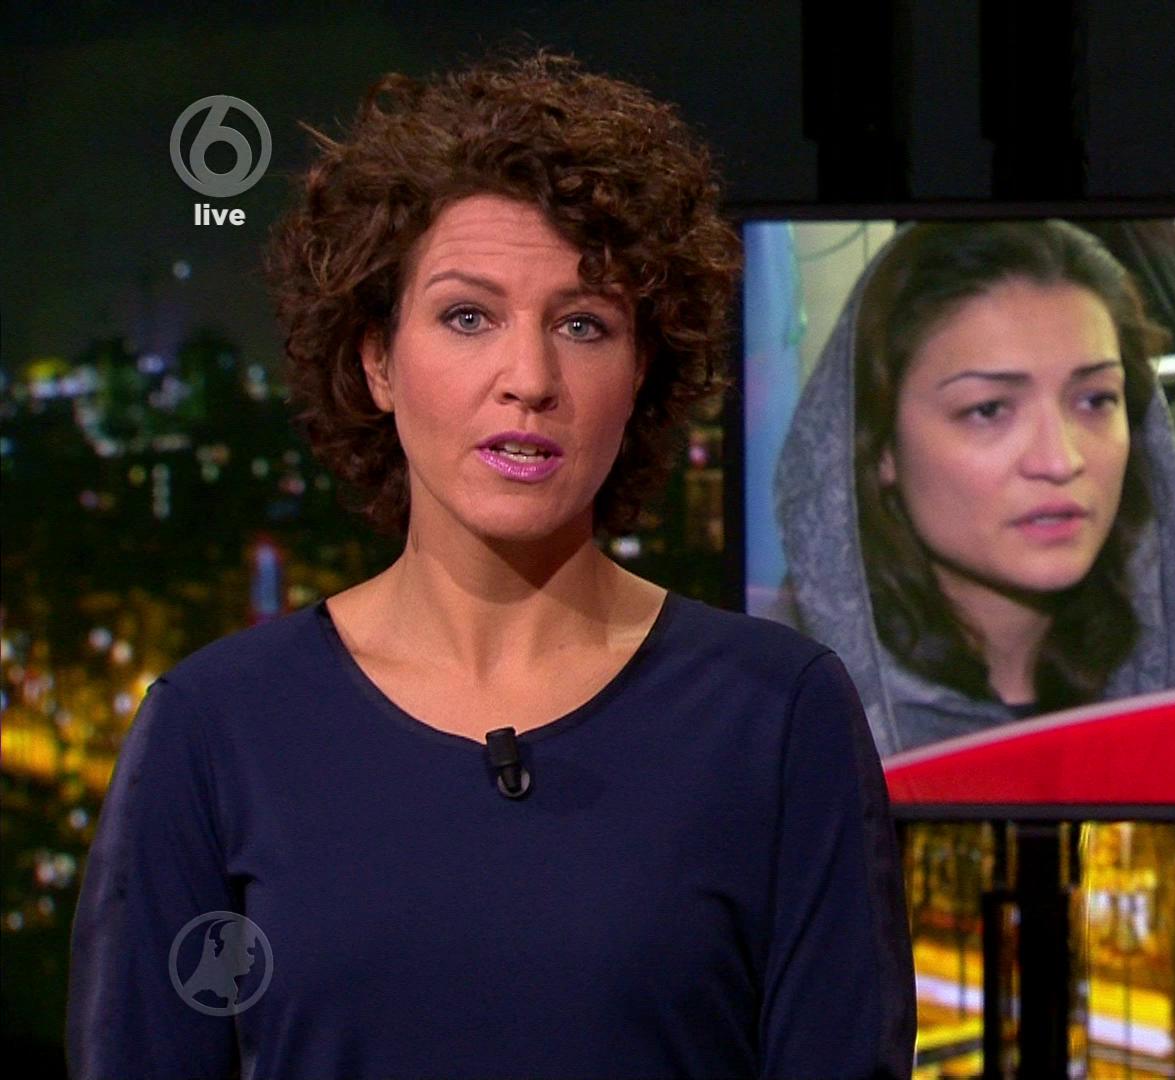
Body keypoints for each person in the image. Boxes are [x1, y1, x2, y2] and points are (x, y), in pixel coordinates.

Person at [68, 54, 914, 1079]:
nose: (530, 378)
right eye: (468, 317)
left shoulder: (777, 716)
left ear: (642, 369)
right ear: (377, 360)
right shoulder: (213, 731)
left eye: (583, 324)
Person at [772, 221, 1175, 757]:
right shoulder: (788, 687)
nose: (1061, 461)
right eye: (989, 410)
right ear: (880, 446)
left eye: (1095, 400)